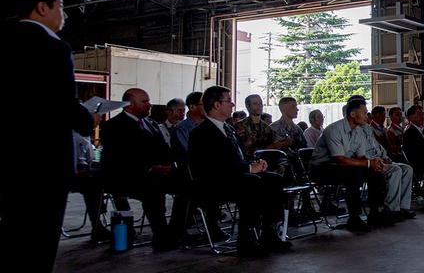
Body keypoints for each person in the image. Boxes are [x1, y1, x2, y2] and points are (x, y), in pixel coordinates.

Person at [1, 0, 97, 273]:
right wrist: (88, 119)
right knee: (38, 238)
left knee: (13, 233)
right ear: (41, 8)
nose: (64, 15)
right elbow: (59, 102)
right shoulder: (50, 46)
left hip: (11, 157)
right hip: (42, 158)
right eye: (60, 6)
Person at [188, 86, 291, 256]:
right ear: (216, 105)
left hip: (235, 177)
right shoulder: (201, 133)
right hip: (213, 182)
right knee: (251, 183)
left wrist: (255, 164)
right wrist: (249, 168)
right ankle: (246, 240)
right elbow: (214, 166)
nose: (233, 104)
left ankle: (269, 233)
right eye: (228, 100)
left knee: (273, 179)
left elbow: (238, 158)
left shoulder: (228, 129)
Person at [99, 88, 181, 251]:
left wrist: (170, 165)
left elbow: (164, 150)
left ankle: (176, 230)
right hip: (127, 176)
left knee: (186, 182)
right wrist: (149, 168)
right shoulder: (113, 126)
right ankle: (161, 235)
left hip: (157, 172)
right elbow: (118, 158)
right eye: (144, 102)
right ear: (129, 104)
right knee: (154, 189)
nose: (149, 105)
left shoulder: (150, 124)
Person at [310, 98, 384, 232]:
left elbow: (361, 156)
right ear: (353, 114)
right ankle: (354, 218)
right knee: (353, 174)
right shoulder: (334, 129)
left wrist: (373, 163)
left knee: (375, 172)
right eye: (364, 112)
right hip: (321, 168)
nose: (367, 116)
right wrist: (368, 163)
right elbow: (340, 160)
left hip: (342, 166)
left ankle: (375, 212)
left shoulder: (359, 131)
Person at [234, 94, 291, 159]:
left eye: (261, 103)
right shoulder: (240, 125)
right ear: (248, 106)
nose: (259, 106)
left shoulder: (267, 127)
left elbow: (275, 141)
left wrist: (283, 143)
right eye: (255, 104)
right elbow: (240, 149)